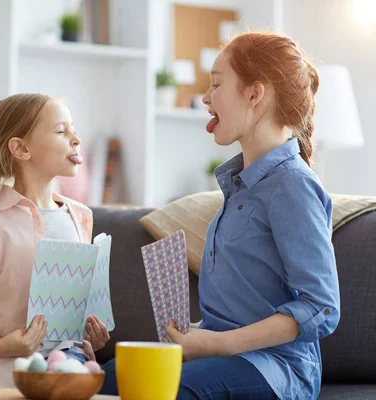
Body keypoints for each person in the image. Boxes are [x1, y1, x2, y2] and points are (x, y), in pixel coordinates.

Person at [100, 32, 340, 400]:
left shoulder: (293, 184)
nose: (206, 98)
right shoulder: (239, 188)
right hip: (226, 356)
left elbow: (321, 308)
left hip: (275, 369)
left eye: (215, 83)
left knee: (161, 389)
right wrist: (196, 334)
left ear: (254, 93)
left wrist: (218, 345)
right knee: (106, 378)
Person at [0, 93, 110, 388]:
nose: (76, 139)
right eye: (61, 130)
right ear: (21, 148)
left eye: (74, 129)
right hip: (2, 376)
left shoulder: (81, 216)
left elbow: (79, 297)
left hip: (70, 368)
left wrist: (92, 330)